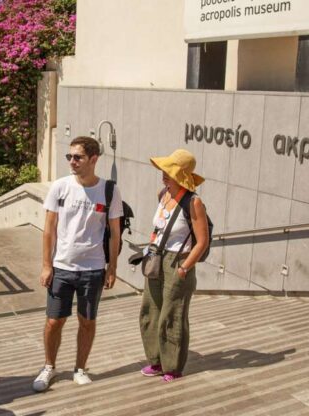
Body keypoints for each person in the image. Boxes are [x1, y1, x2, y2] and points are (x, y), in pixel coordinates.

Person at [32, 136, 122, 392]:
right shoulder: (60, 187)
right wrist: (46, 265)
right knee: (53, 321)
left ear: (93, 159)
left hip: (93, 270)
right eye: (69, 156)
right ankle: (49, 367)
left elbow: (115, 232)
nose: (72, 161)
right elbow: (48, 229)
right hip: (61, 268)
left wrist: (112, 268)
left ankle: (80, 369)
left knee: (87, 321)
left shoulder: (110, 190)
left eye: (78, 157)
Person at [139, 149, 209, 382]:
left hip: (179, 261)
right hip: (157, 258)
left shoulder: (194, 202)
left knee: (173, 315)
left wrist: (184, 267)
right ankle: (156, 361)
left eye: (168, 171)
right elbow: (159, 226)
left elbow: (202, 242)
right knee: (150, 312)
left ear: (181, 175)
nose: (163, 175)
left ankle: (172, 367)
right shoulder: (163, 193)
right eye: (164, 170)